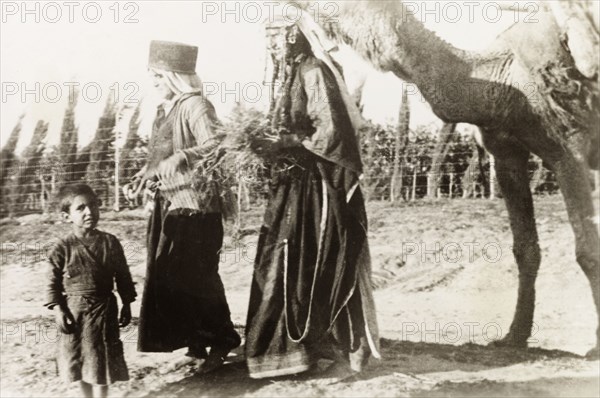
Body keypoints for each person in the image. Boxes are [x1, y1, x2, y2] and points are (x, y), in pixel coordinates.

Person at [244, 15, 380, 379]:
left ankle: (339, 348)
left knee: (316, 260)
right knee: (281, 262)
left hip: (318, 188)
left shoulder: (313, 71)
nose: (269, 45)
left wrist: (284, 143)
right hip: (291, 187)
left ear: (291, 35)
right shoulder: (289, 76)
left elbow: (331, 133)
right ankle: (294, 351)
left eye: (273, 36)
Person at [133, 40, 240, 373]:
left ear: (173, 76)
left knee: (198, 277)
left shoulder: (195, 106)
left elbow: (217, 145)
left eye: (156, 77)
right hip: (174, 205)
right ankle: (196, 341)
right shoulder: (170, 110)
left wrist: (182, 157)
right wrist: (143, 175)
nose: (153, 84)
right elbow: (162, 160)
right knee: (174, 276)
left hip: (199, 209)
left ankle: (221, 340)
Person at [45, 184, 136, 398]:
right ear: (66, 216)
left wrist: (127, 304)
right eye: (81, 208)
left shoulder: (110, 243)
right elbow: (52, 282)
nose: (89, 212)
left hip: (104, 311)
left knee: (101, 358)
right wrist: (58, 309)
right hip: (75, 313)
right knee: (80, 358)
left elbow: (123, 276)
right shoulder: (62, 247)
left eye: (94, 205)